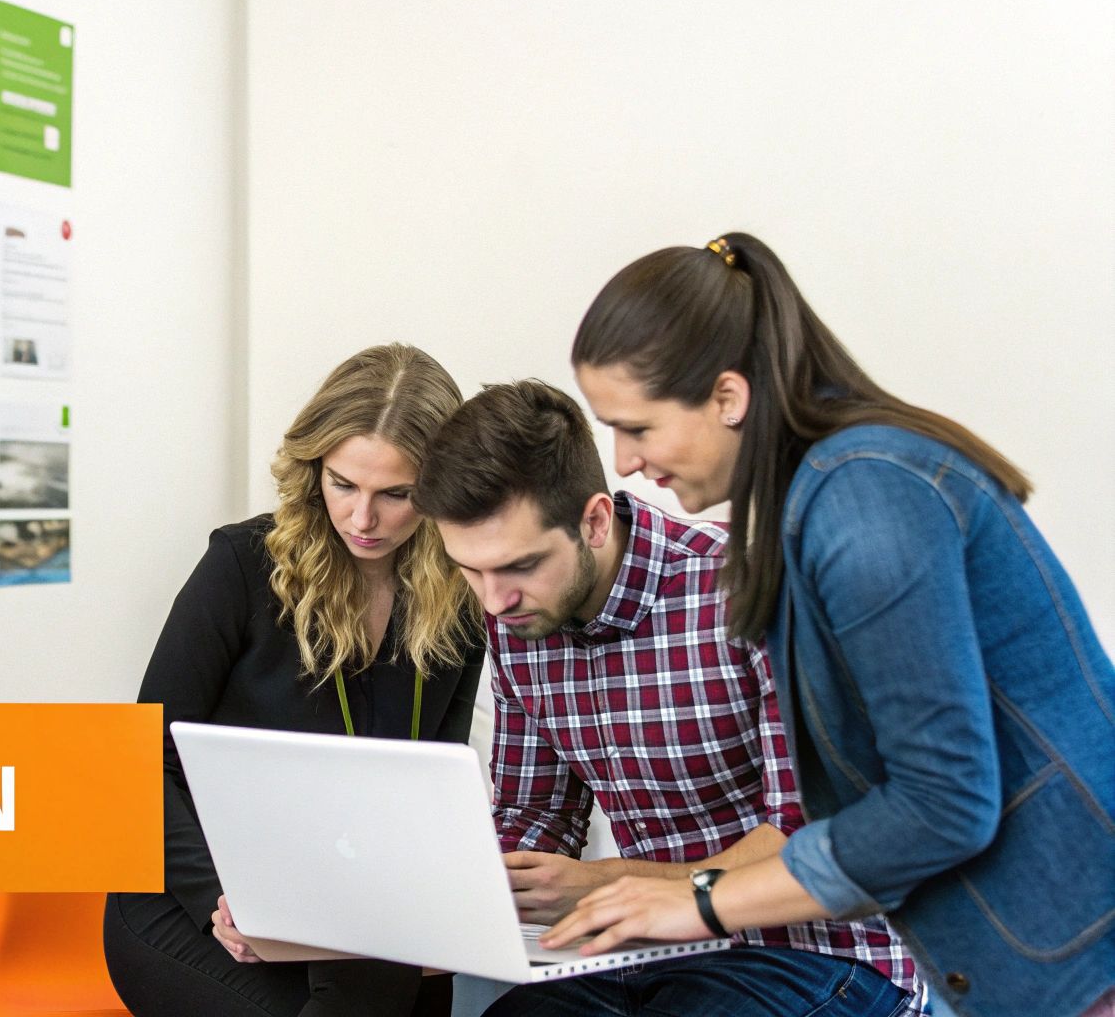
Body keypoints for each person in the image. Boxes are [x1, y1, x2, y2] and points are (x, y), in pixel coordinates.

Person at [542, 232, 1115, 1017]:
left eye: (637, 428)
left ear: (727, 398)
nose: (626, 460)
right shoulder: (820, 496)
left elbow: (943, 802)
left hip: (1075, 949)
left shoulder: (863, 502)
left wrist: (702, 903)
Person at [413, 380, 919, 1017]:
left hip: (822, 954)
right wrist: (482, 877)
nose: (493, 600)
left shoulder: (751, 592)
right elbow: (536, 812)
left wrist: (603, 884)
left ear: (594, 521)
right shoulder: (517, 621)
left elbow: (811, 836)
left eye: (518, 566)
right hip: (650, 955)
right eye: (470, 569)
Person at [102, 344, 485, 1017]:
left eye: (397, 495)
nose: (363, 519)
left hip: (343, 905)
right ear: (314, 469)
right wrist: (222, 897)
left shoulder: (464, 596)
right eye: (343, 484)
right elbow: (138, 763)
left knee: (405, 994)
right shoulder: (241, 567)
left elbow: (433, 784)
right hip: (192, 898)